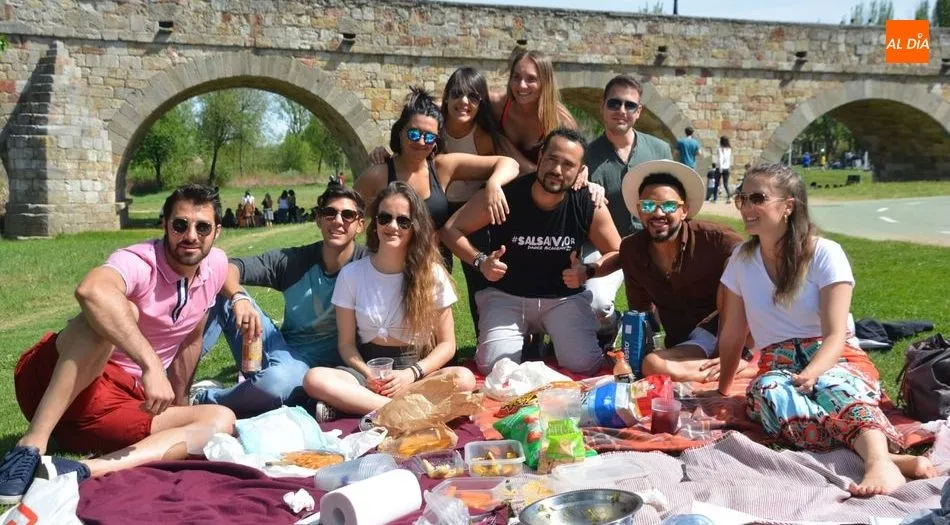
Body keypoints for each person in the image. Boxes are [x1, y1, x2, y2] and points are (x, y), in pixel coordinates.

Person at [0, 184, 237, 504]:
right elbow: (91, 291)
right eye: (180, 225)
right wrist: (151, 365)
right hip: (58, 382)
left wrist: (239, 297)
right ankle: (30, 447)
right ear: (165, 224)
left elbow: (192, 337)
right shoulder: (140, 261)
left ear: (217, 231)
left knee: (221, 420)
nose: (191, 236)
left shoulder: (216, 266)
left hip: (116, 408)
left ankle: (80, 469)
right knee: (115, 309)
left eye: (202, 227)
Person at [715, 164, 937, 496]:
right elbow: (733, 333)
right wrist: (722, 390)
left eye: (757, 198)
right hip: (777, 363)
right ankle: (887, 457)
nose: (747, 207)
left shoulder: (825, 253)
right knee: (772, 396)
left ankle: (878, 462)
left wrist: (813, 372)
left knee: (834, 387)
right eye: (741, 198)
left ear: (788, 206)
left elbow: (835, 335)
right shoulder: (741, 260)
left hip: (834, 355)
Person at [442, 128, 621, 375]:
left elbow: (617, 251)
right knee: (493, 368)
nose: (557, 170)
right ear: (540, 157)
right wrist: (481, 261)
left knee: (584, 365)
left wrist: (588, 271)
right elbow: (450, 230)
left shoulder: (587, 202)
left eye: (568, 165)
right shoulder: (506, 194)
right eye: (552, 159)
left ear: (580, 171)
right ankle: (530, 344)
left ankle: (564, 340)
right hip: (507, 296)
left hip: (562, 298)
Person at [303, 182, 476, 421]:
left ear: (415, 227)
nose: (393, 226)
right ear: (375, 224)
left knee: (464, 379)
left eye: (403, 221)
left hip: (415, 373)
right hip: (367, 372)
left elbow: (447, 345)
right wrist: (369, 374)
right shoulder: (351, 275)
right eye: (385, 218)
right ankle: (401, 410)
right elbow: (346, 345)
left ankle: (363, 406)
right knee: (314, 379)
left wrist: (410, 374)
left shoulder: (432, 274)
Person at [193, 185, 368, 418]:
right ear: (318, 219)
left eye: (347, 215)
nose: (338, 221)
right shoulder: (294, 261)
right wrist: (238, 297)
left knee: (279, 382)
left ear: (360, 224)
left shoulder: (368, 266)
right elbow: (226, 268)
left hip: (326, 371)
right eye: (329, 213)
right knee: (218, 291)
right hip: (281, 351)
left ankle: (203, 399)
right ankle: (173, 381)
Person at [612, 159, 752, 382]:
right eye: (648, 206)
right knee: (649, 363)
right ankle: (730, 367)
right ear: (639, 210)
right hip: (687, 339)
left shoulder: (716, 239)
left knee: (736, 266)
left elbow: (758, 270)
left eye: (669, 206)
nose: (658, 213)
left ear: (684, 210)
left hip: (724, 331)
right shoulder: (632, 250)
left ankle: (738, 362)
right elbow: (641, 310)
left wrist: (744, 341)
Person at [355, 88, 521, 268]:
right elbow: (346, 217)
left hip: (434, 271)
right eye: (413, 134)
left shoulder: (442, 168)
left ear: (436, 141)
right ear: (400, 132)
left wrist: (494, 184)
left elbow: (510, 164)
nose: (420, 142)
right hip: (388, 271)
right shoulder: (378, 175)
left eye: (428, 137)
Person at [583, 74, 673, 344]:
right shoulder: (585, 155)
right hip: (603, 246)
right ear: (602, 106)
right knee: (596, 304)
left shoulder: (659, 150)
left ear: (639, 111)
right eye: (614, 103)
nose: (621, 110)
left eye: (629, 105)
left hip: (651, 244)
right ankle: (613, 325)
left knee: (674, 305)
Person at [490, 49, 578, 170]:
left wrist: (510, 153)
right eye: (516, 77)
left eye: (531, 79)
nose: (522, 85)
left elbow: (570, 168)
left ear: (545, 82)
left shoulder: (562, 122)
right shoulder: (495, 105)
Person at [716, 136, 733, 203]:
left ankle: (715, 196)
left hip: (721, 167)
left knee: (717, 182)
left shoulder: (720, 149)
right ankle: (729, 196)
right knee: (726, 184)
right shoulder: (729, 149)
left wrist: (720, 168)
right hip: (727, 168)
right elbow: (728, 159)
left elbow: (721, 159)